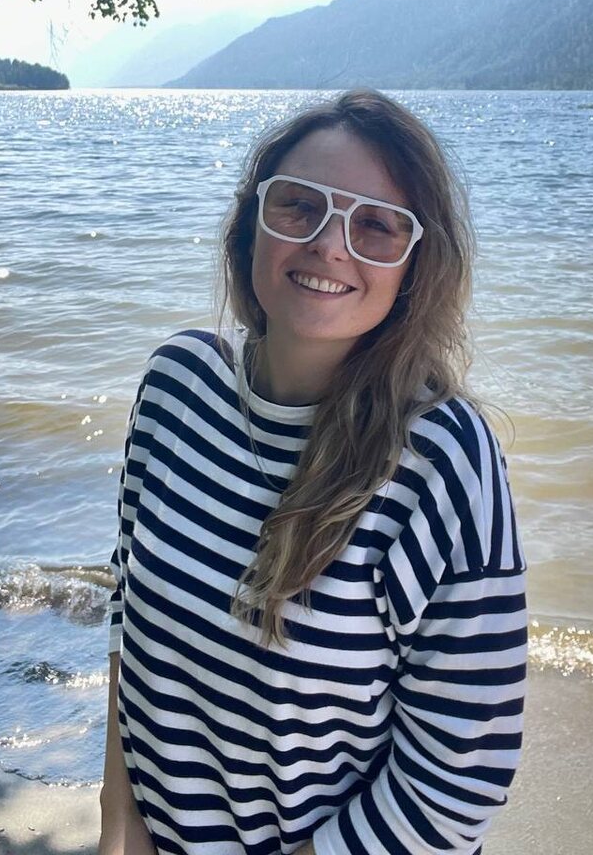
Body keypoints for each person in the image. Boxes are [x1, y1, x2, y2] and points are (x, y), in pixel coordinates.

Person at [99, 89, 527, 855]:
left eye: (375, 225)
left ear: (415, 266)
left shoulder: (441, 458)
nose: (330, 244)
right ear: (250, 225)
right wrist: (119, 821)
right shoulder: (176, 385)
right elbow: (127, 609)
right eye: (298, 206)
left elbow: (456, 781)